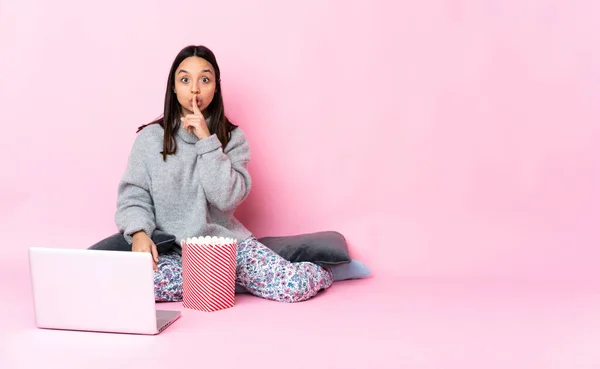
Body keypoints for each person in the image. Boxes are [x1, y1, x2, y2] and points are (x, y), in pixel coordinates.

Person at [89, 45, 340, 303]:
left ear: (215, 87)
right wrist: (139, 232)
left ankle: (326, 272)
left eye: (205, 80)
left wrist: (207, 141)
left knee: (294, 286)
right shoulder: (150, 140)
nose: (194, 89)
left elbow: (226, 198)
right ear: (174, 87)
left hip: (227, 247)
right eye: (185, 79)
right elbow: (133, 196)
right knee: (136, 286)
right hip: (176, 253)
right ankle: (224, 282)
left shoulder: (233, 139)